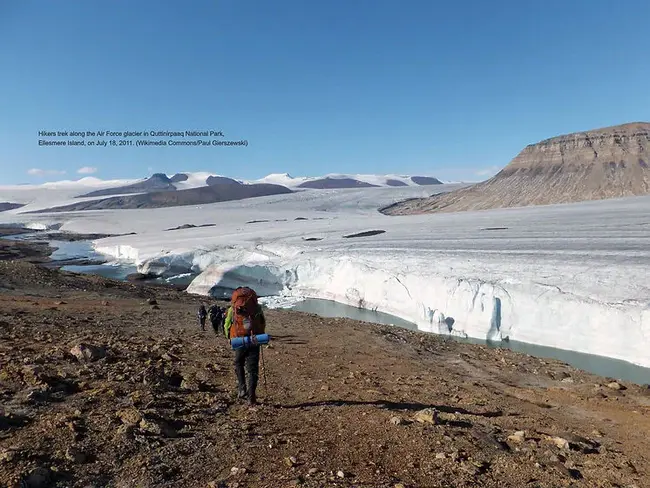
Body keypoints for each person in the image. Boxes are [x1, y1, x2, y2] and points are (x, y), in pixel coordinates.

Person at [223, 287, 266, 405]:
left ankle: (242, 388)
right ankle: (251, 396)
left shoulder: (233, 309)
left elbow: (227, 324)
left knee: (238, 363)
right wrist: (260, 336)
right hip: (254, 340)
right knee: (252, 369)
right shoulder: (257, 308)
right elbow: (262, 322)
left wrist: (229, 338)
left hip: (239, 339)